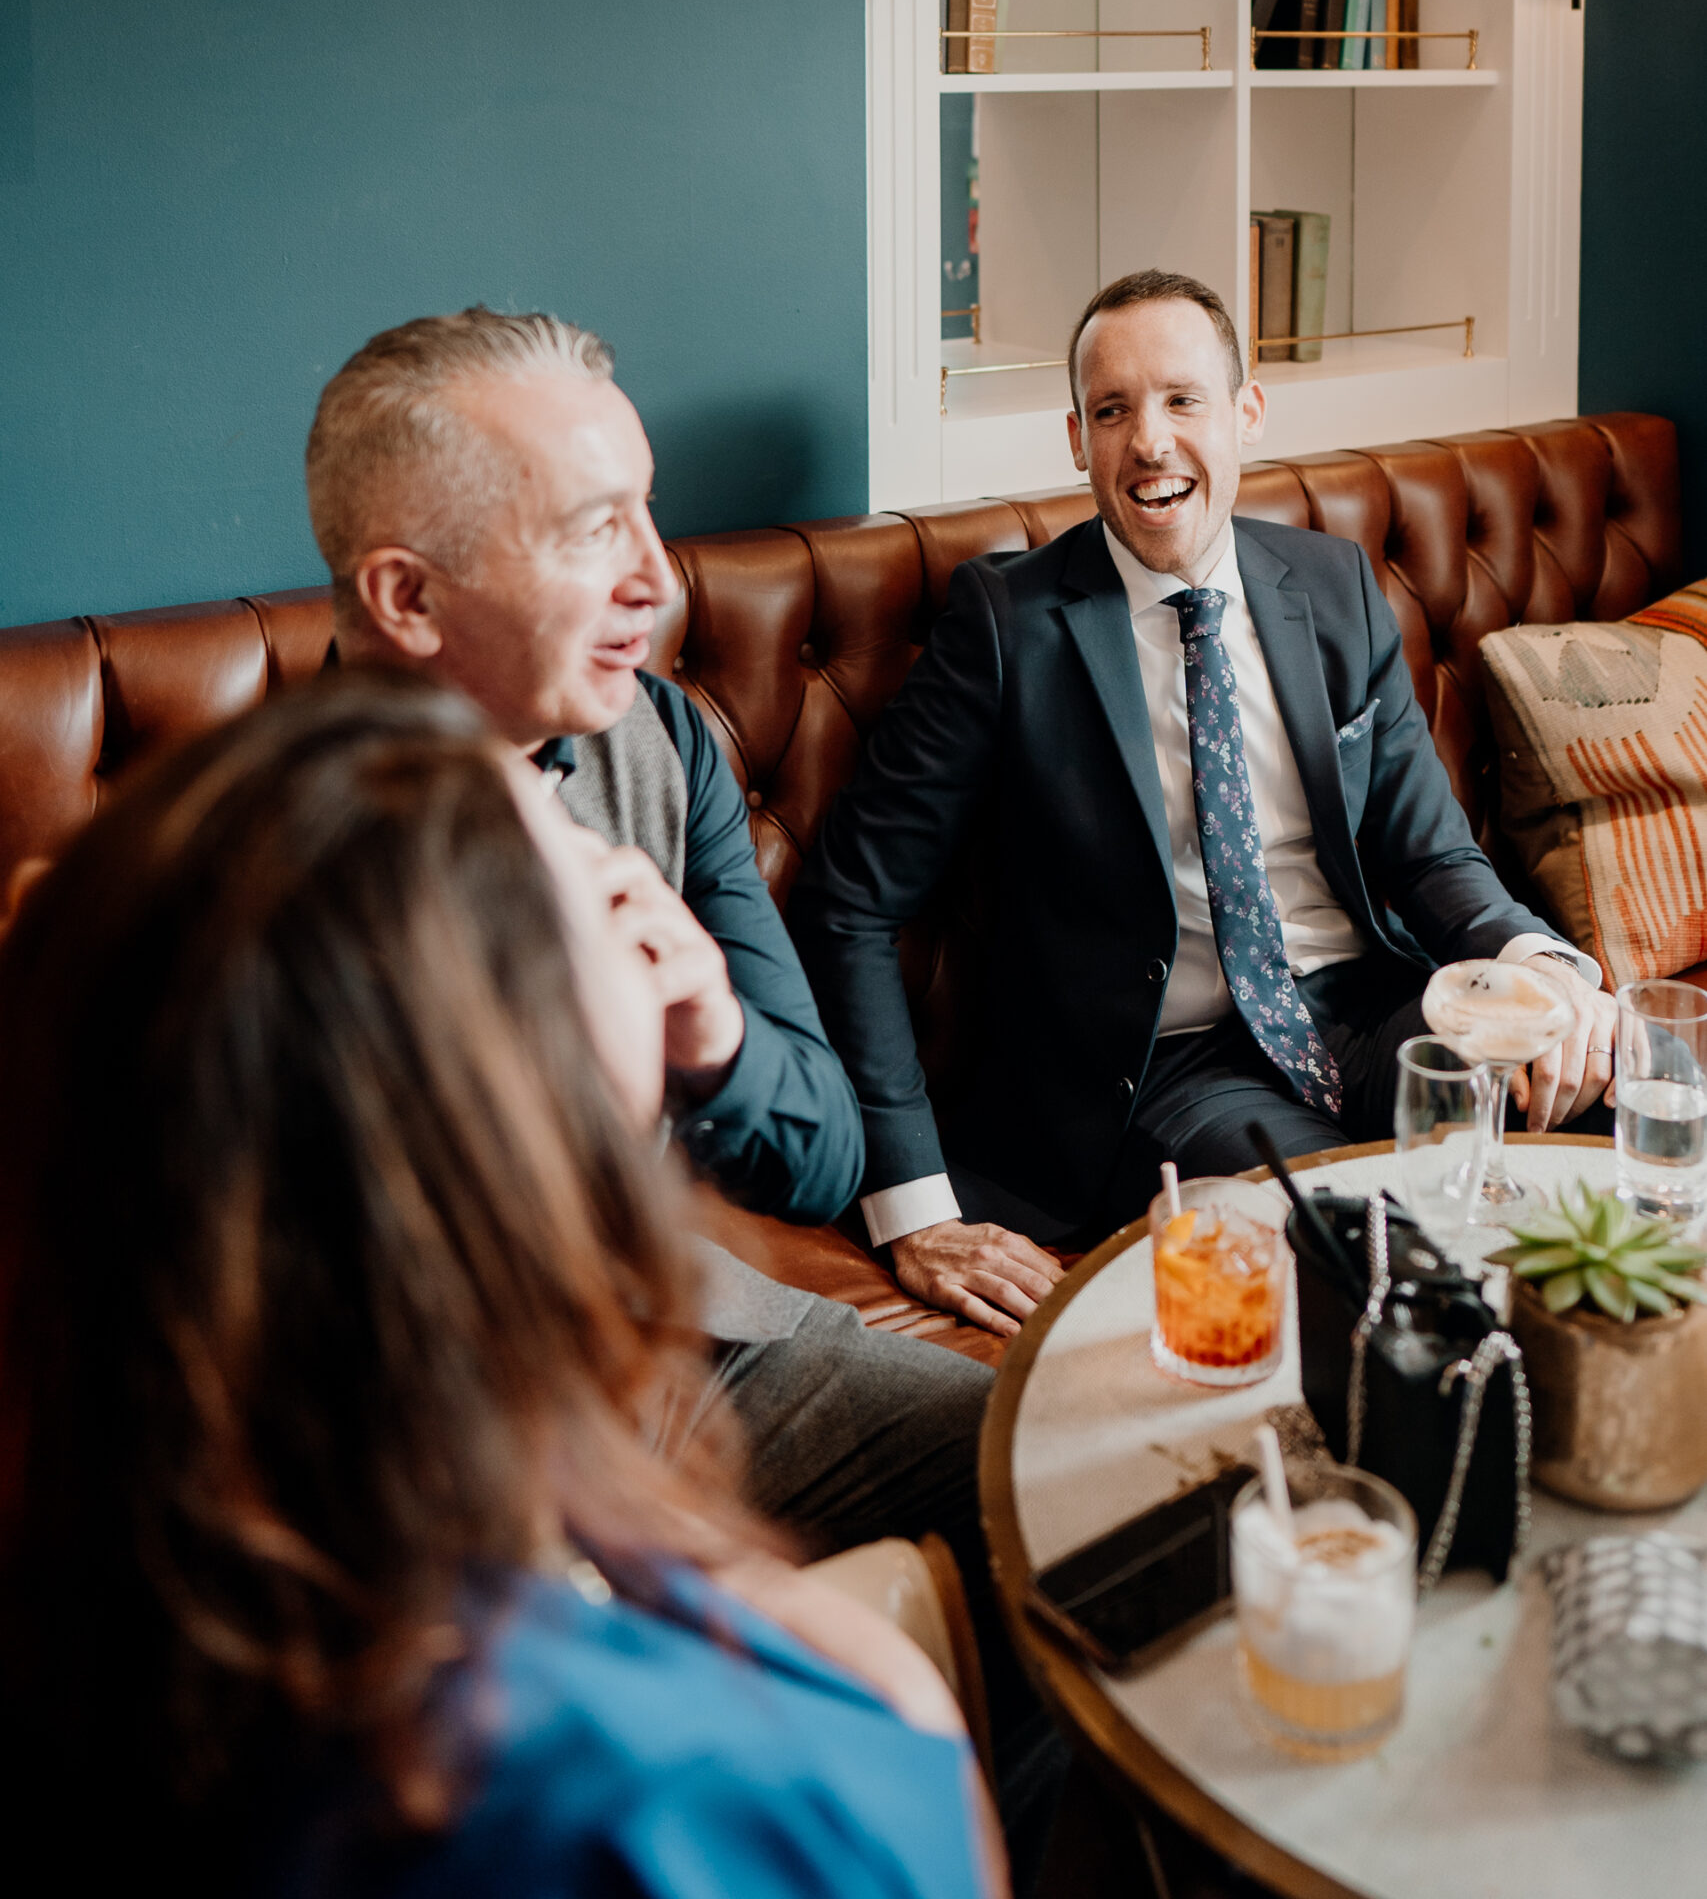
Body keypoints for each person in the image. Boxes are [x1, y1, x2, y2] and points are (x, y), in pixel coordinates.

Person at [0, 675, 999, 1897]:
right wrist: (907, 1722)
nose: (613, 872)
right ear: (496, 1111)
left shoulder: (149, 1580)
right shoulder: (719, 1808)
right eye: (573, 881)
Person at [302, 310, 1061, 1877]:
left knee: (1055, 1474)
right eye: (596, 529)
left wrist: (710, 1025)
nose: (659, 574)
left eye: (646, 507)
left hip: (710, 1346)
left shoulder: (661, 741)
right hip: (458, 1446)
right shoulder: (281, 870)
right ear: (405, 596)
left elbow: (823, 1145)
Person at [791, 269, 1616, 1337]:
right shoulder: (1007, 625)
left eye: (1183, 399)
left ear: (1246, 413)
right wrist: (910, 1205)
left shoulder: (1332, 585)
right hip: (1175, 1069)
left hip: (1375, 1010)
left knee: (1632, 1077)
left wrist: (1541, 966)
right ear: (1078, 440)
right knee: (1358, 1242)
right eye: (1114, 410)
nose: (1151, 440)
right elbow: (849, 901)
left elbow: (1428, 854)